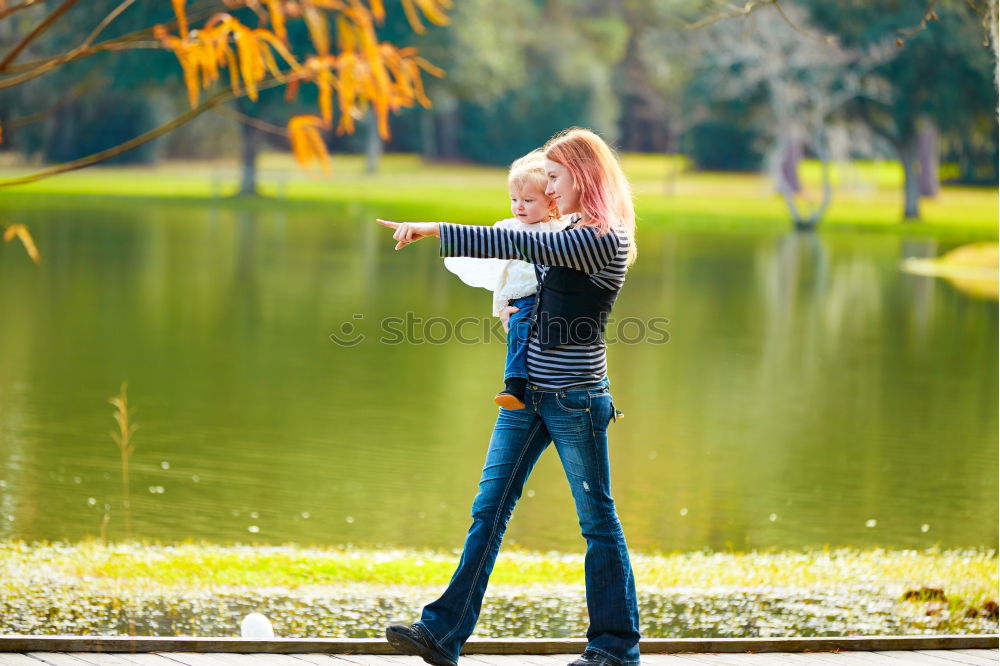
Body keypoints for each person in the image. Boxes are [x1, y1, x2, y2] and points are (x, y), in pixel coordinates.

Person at [376, 127, 641, 666]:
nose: (547, 186)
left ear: (582, 178)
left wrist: (434, 229)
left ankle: (616, 649)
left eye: (555, 177)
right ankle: (442, 634)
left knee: (597, 521)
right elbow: (527, 266)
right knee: (488, 510)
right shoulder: (566, 228)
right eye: (544, 177)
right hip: (528, 400)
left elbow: (520, 241)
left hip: (575, 400)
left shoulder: (600, 238)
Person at [443, 150, 568, 410]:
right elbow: (500, 271)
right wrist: (500, 306)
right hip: (522, 298)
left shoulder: (561, 230)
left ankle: (600, 390)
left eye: (528, 200)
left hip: (555, 298)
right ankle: (515, 384)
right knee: (520, 330)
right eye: (514, 199)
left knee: (578, 335)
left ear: (551, 203)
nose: (519, 206)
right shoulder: (508, 229)